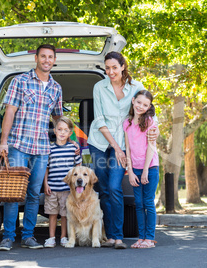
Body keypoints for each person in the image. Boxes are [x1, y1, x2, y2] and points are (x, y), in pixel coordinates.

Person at [87, 51, 159, 249]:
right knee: (104, 190)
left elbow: (150, 110)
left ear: (123, 67)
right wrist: (117, 148)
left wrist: (155, 132)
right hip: (100, 143)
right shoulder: (99, 87)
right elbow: (99, 119)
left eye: (114, 67)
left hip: (122, 143)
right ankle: (111, 235)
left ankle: (119, 236)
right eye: (107, 68)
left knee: (114, 187)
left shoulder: (136, 87)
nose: (110, 72)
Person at [0, 44, 63, 251]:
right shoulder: (20, 81)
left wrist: (68, 140)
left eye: (50, 57)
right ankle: (8, 237)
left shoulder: (56, 88)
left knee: (34, 193)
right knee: (14, 192)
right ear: (36, 58)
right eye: (43, 56)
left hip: (42, 148)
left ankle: (28, 236)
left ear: (54, 60)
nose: (46, 60)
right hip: (18, 145)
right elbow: (9, 112)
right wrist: (3, 141)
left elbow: (58, 118)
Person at [123, 90, 159, 249]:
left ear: (149, 106)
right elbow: (128, 149)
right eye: (138, 102)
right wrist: (130, 171)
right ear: (133, 101)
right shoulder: (127, 123)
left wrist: (145, 171)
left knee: (148, 203)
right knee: (138, 203)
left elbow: (151, 147)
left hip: (150, 168)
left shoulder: (150, 122)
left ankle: (149, 239)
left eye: (145, 104)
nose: (141, 106)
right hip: (134, 169)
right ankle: (141, 237)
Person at [43, 116, 82, 248]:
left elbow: (78, 168)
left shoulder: (73, 149)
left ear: (70, 133)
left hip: (67, 189)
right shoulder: (50, 149)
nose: (62, 132)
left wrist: (76, 186)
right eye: (60, 129)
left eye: (66, 130)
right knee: (52, 214)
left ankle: (63, 237)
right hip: (52, 188)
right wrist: (45, 184)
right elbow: (46, 168)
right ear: (54, 130)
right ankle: (51, 238)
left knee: (65, 215)